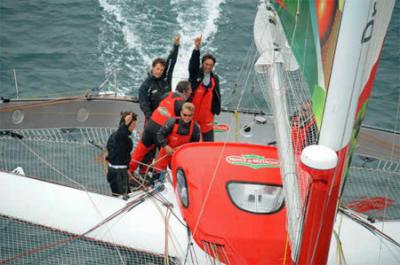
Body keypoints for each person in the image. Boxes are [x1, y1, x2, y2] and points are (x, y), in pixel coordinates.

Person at [129, 81, 193, 177]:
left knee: (140, 151)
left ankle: (128, 171)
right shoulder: (181, 104)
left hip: (150, 125)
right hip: (161, 130)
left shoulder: (167, 94)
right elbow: (183, 122)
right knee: (164, 158)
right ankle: (156, 180)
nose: (191, 92)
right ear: (184, 92)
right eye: (190, 90)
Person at [152, 102, 201, 182]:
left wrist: (183, 148)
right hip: (166, 153)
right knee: (157, 176)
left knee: (179, 179)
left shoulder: (195, 128)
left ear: (193, 115)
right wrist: (166, 146)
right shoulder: (172, 122)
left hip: (181, 157)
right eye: (185, 115)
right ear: (181, 113)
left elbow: (195, 146)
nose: (187, 118)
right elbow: (160, 135)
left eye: (190, 115)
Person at [139, 35, 180, 125]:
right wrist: (152, 118)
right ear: (153, 68)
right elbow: (143, 104)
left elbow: (171, 62)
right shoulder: (145, 85)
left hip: (168, 117)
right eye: (157, 69)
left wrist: (176, 46)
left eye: (161, 70)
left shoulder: (166, 78)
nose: (159, 72)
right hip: (153, 119)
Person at [188, 35, 221, 142]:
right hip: (192, 113)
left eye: (211, 65)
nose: (208, 67)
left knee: (209, 142)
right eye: (206, 64)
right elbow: (193, 64)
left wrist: (216, 110)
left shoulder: (214, 78)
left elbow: (217, 95)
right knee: (190, 140)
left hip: (207, 116)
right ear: (202, 64)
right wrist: (196, 48)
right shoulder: (195, 74)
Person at [105, 112, 137, 196]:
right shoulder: (120, 137)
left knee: (117, 196)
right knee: (123, 198)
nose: (135, 126)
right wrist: (125, 123)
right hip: (119, 175)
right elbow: (121, 135)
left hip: (114, 171)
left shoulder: (113, 136)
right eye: (133, 124)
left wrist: (126, 170)